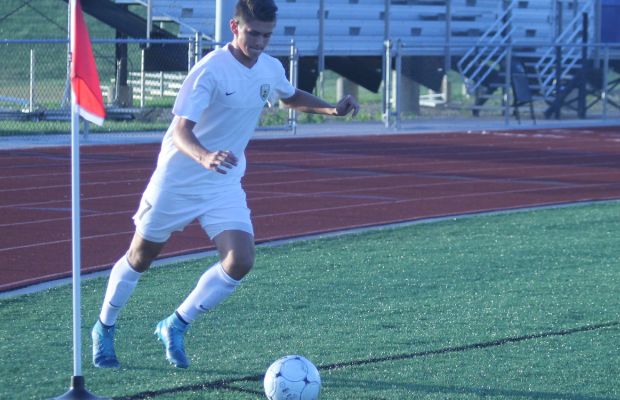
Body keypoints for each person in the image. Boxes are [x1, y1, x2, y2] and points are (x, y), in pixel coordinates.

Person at [91, 0, 359, 369]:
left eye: (267, 35)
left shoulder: (269, 67)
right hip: (179, 178)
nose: (261, 41)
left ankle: (175, 324)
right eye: (253, 33)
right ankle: (104, 327)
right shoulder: (210, 71)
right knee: (141, 257)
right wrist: (204, 157)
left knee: (241, 259)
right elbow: (180, 130)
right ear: (235, 27)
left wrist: (331, 108)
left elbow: (288, 95)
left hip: (223, 181)